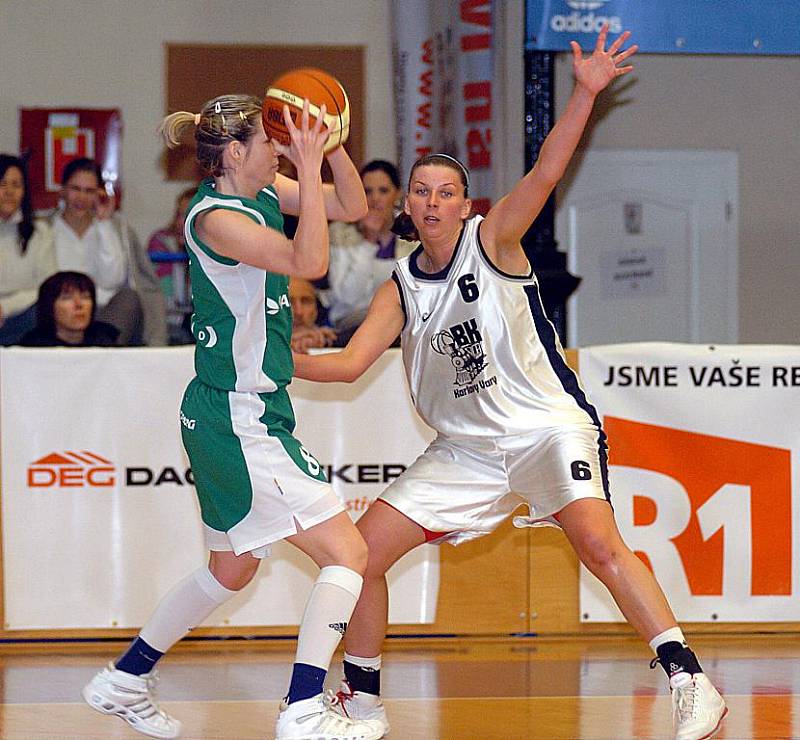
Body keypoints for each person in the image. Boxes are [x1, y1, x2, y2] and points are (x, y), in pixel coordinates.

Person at [294, 27, 726, 740]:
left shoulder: (493, 241)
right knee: (361, 555)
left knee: (598, 544)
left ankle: (689, 680)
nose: (433, 203)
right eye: (422, 192)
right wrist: (271, 362)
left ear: (467, 206)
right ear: (407, 205)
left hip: (544, 426)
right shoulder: (398, 288)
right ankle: (362, 698)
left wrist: (585, 92)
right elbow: (345, 365)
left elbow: (547, 172)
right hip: (463, 450)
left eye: (447, 193)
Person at [81, 93, 383, 740]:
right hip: (238, 415)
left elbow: (353, 208)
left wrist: (329, 146)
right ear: (237, 153)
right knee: (348, 552)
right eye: (271, 140)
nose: (281, 148)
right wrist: (306, 159)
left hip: (238, 410)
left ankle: (125, 677)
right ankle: (302, 709)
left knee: (232, 570)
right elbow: (312, 264)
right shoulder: (213, 217)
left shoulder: (265, 187)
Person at [48, 158, 167, 346]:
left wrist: (104, 224)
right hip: (59, 318)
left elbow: (113, 280)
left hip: (104, 316)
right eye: (75, 189)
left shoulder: (116, 228)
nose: (81, 198)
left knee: (129, 299)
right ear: (62, 190)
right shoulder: (44, 229)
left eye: (89, 191)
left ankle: (96, 353)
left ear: (99, 193)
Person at [326, 160, 416, 337]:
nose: (375, 199)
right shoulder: (340, 232)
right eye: (367, 191)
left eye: (383, 191)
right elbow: (346, 298)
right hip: (352, 326)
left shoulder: (413, 234)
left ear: (398, 194)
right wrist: (369, 241)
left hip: (403, 326)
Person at [0, 154, 57, 345]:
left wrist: (5, 308)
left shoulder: (40, 232)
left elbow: (47, 286)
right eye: (2, 184)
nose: (9, 192)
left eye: (16, 185)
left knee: (42, 313)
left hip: (22, 315)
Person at [147, 186, 197, 344]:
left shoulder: (221, 250)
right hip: (167, 328)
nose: (180, 223)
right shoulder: (161, 244)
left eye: (188, 216)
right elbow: (162, 298)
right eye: (179, 215)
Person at [20, 271, 118, 347]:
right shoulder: (33, 349)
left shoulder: (105, 343)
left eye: (85, 297)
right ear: (49, 307)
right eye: (67, 298)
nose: (79, 304)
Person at [289, 276, 337, 353]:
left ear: (316, 309)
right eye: (288, 302)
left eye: (306, 301)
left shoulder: (335, 340)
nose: (298, 312)